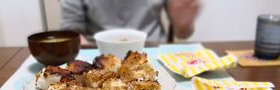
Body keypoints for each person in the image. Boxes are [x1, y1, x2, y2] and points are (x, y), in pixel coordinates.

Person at [60, 0, 201, 45]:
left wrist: (183, 23)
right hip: (97, 55)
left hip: (154, 53)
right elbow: (72, 32)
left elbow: (183, 33)